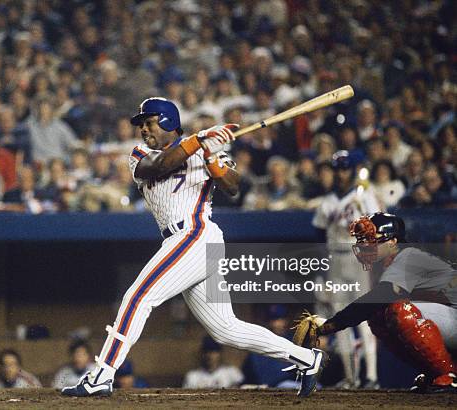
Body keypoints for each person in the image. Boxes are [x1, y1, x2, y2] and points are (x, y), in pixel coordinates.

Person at [61, 98, 327, 398]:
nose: (143, 130)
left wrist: (213, 158)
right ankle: (306, 358)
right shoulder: (140, 154)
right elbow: (160, 165)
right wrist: (199, 141)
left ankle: (102, 374)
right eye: (142, 125)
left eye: (148, 123)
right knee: (226, 329)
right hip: (182, 240)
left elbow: (233, 186)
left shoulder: (205, 150)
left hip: (196, 235)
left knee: (138, 297)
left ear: (167, 122)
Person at [315, 212, 456, 393]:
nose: (365, 245)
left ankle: (448, 374)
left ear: (392, 242)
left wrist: (329, 325)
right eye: (364, 240)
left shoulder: (408, 256)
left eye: (373, 240)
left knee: (399, 310)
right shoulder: (392, 261)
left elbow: (378, 298)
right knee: (378, 317)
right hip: (449, 320)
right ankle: (435, 372)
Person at [312, 150, 382, 389]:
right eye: (338, 168)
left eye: (345, 168)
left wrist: (362, 222)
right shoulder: (327, 202)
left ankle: (371, 376)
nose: (341, 173)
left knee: (363, 319)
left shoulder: (364, 196)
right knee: (339, 320)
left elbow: (378, 228)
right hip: (335, 261)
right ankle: (352, 378)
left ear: (351, 169)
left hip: (357, 259)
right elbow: (319, 236)